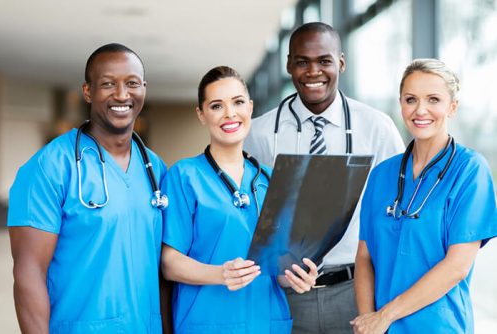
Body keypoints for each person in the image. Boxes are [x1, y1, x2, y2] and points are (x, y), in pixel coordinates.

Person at [244, 22, 405, 333]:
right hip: (283, 294)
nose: (313, 71)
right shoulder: (261, 134)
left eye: (324, 61)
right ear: (289, 64)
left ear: (341, 63)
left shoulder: (376, 128)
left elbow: (395, 213)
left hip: (354, 292)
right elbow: (249, 214)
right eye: (302, 61)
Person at [8, 43, 167, 333]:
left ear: (144, 88)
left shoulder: (155, 169)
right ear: (88, 91)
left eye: (132, 83)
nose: (121, 94)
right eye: (108, 84)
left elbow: (164, 269)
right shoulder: (49, 167)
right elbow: (28, 274)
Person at [161, 66, 318, 334]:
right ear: (201, 115)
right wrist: (219, 274)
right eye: (216, 106)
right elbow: (169, 263)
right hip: (206, 322)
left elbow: (276, 268)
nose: (230, 114)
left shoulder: (272, 179)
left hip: (266, 321)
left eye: (238, 102)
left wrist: (296, 278)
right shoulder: (184, 176)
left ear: (250, 107)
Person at [352, 58, 497, 333]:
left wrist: (384, 316)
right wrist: (367, 319)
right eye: (410, 99)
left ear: (452, 107)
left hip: (439, 326)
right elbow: (364, 257)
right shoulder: (382, 174)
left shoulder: (469, 170)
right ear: (401, 104)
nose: (420, 110)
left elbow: (457, 266)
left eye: (433, 99)